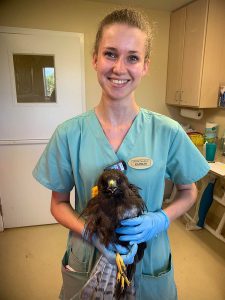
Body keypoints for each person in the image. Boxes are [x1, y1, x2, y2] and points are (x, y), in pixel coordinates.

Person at [33, 8, 210, 300]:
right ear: (95, 58)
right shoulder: (69, 134)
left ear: (145, 65)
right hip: (88, 260)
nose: (119, 68)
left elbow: (188, 192)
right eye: (110, 54)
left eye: (132, 57)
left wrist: (159, 220)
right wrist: (90, 232)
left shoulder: (168, 132)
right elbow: (59, 204)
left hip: (149, 261)